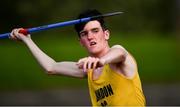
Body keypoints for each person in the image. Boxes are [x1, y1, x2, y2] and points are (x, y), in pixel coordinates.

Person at [10, 9, 146, 106]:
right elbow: (51, 67)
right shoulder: (88, 69)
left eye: (95, 31)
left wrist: (101, 61)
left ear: (106, 34)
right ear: (81, 42)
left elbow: (120, 53)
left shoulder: (118, 56)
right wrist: (27, 40)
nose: (90, 36)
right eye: (84, 34)